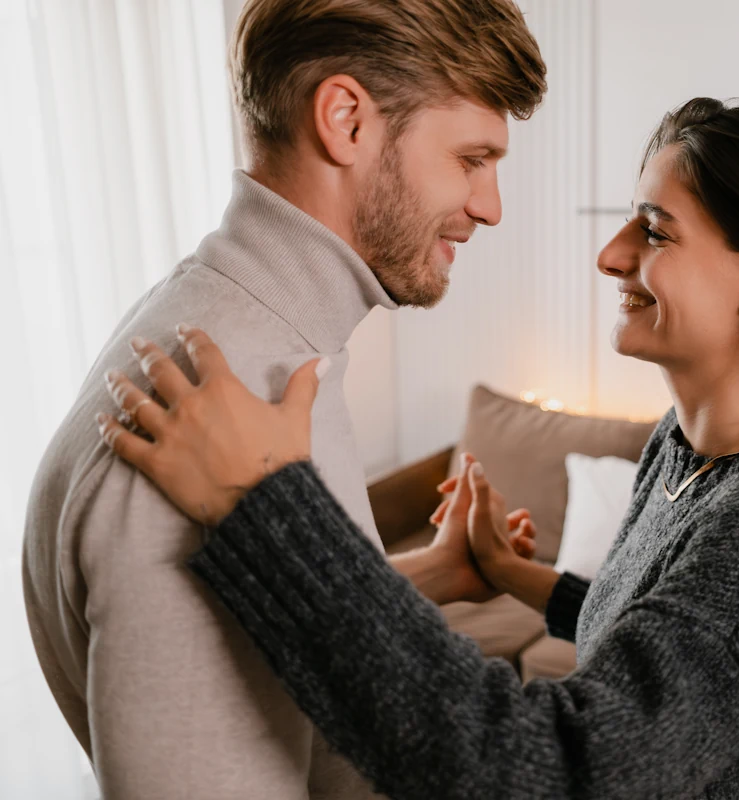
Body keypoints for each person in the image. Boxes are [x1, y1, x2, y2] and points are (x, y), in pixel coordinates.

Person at [100, 97, 739, 799]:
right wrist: (506, 573)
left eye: (656, 232)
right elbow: (669, 637)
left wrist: (266, 503)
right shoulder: (683, 448)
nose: (611, 257)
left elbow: (556, 771)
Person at [21, 1, 546, 797]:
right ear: (345, 120)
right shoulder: (209, 409)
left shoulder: (243, 337)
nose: (490, 205)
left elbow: (268, 643)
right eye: (472, 158)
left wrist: (425, 576)